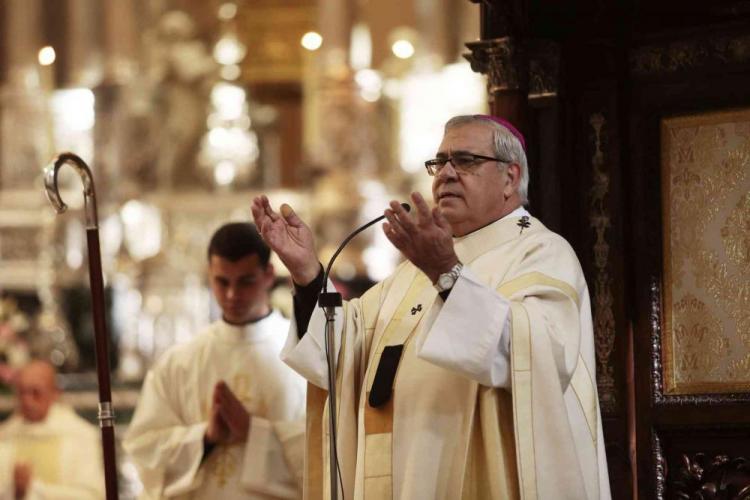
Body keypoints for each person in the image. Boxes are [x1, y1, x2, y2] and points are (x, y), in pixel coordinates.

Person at [252, 114, 612, 499]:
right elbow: (341, 352)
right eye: (440, 162)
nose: (447, 174)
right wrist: (308, 274)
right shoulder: (418, 267)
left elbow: (534, 355)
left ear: (510, 178)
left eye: (467, 160)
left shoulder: (540, 252)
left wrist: (446, 272)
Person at [123, 222, 306, 499]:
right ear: (209, 274)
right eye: (222, 281)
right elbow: (144, 449)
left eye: (246, 281)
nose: (232, 295)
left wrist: (252, 433)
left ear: (268, 275)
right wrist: (205, 438)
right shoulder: (180, 362)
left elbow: (326, 449)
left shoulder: (302, 355)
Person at [0, 359, 105, 500]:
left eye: (35, 392)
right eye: (21, 392)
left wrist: (34, 489)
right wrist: (17, 491)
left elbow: (92, 495)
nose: (27, 400)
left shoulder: (79, 434)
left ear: (54, 393)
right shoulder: (5, 435)